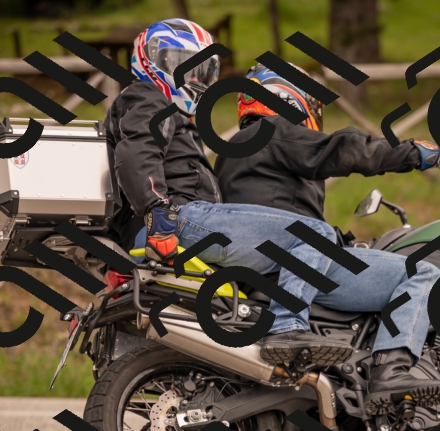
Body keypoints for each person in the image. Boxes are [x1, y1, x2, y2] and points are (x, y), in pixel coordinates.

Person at [104, 19, 358, 365]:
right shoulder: (147, 97)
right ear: (151, 60)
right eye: (182, 65)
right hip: (177, 219)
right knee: (313, 234)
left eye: (202, 70)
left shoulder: (164, 111)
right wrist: (156, 211)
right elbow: (137, 153)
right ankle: (287, 329)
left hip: (172, 220)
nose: (194, 78)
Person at [214, 64, 440, 414]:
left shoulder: (236, 150)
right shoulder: (272, 132)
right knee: (421, 273)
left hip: (263, 264)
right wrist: (419, 153)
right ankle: (391, 372)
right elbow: (343, 149)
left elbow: (279, 207)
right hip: (286, 265)